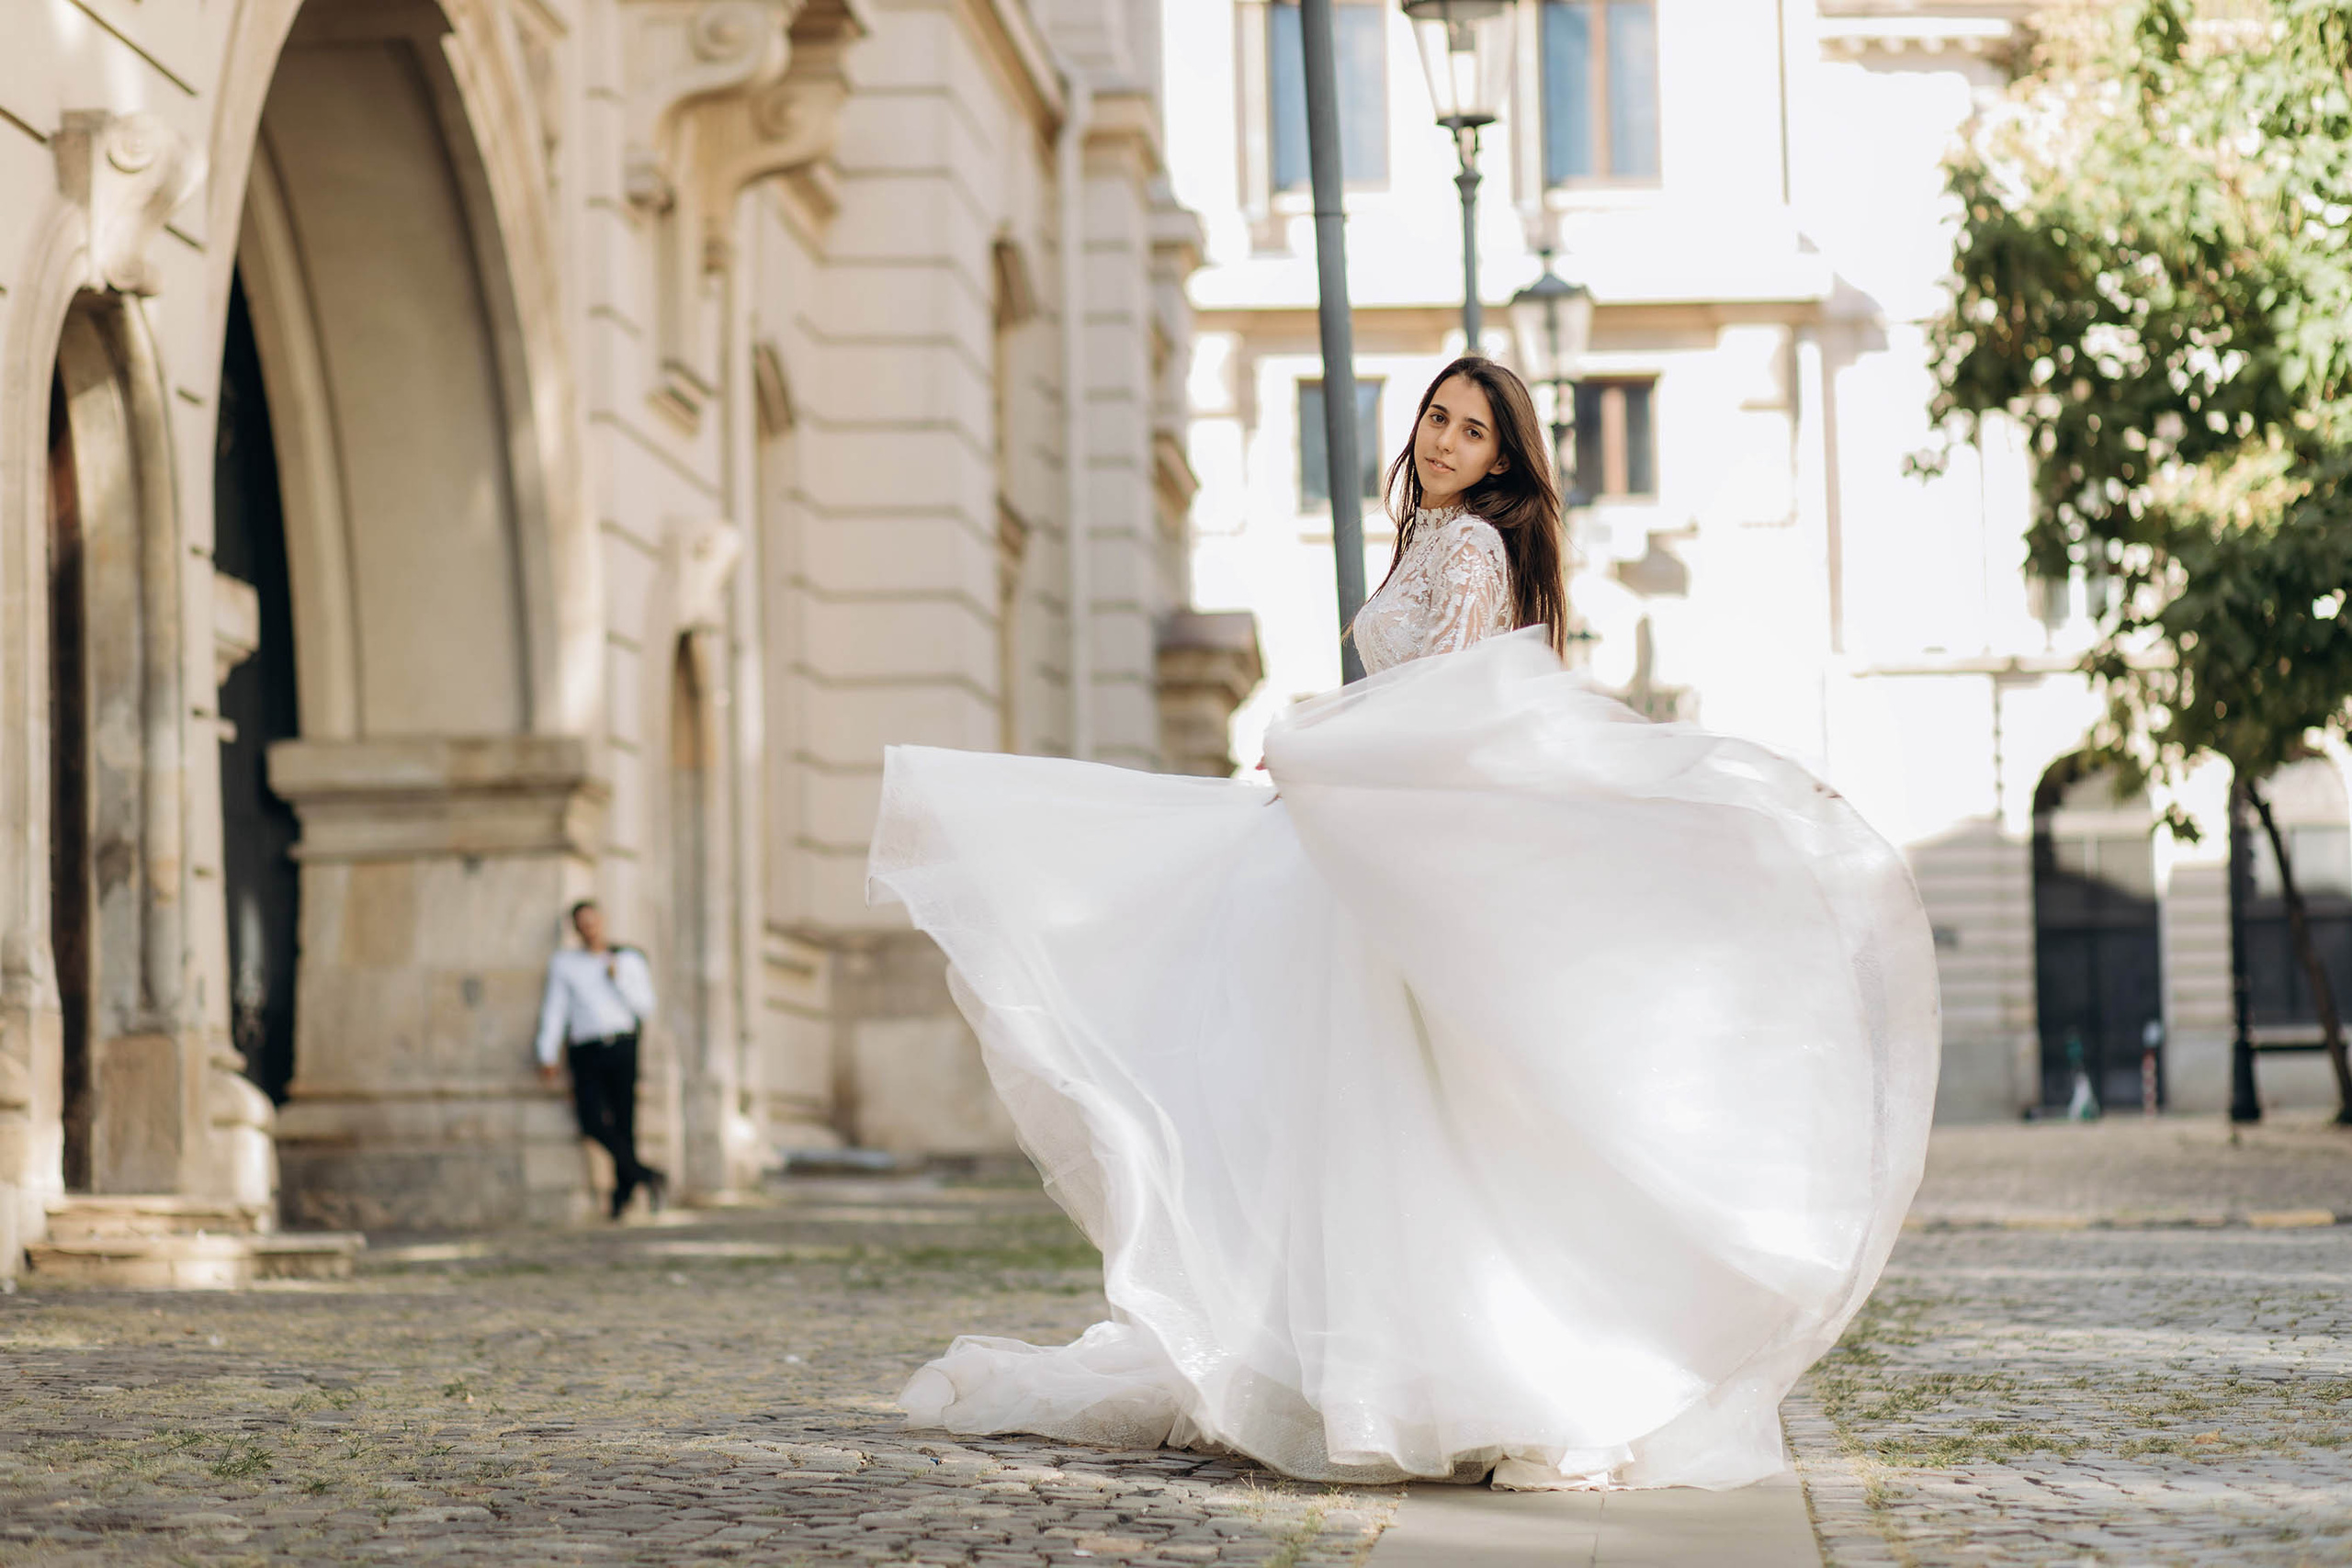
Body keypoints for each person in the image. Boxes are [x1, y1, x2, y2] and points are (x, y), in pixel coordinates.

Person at [867, 357, 1939, 1491]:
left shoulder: (1472, 548)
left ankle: (1469, 1386)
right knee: (1365, 1122)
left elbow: (1445, 710)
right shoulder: (1433, 540)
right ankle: (1381, 1376)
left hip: (1399, 862)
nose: (1442, 441)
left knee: (1405, 1123)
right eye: (1437, 417)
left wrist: (1317, 745)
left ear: (1501, 460)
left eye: (1472, 431)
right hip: (1364, 853)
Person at [535, 899, 667, 1219]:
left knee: (625, 1121)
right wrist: (547, 1051)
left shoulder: (629, 960)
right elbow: (556, 1009)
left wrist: (617, 977)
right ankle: (646, 1175)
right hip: (585, 1049)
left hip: (622, 1045)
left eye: (592, 922)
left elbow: (645, 1008)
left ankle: (622, 1196)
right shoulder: (566, 964)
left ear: (603, 922)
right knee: (591, 1120)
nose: (589, 929)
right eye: (582, 924)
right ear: (576, 929)